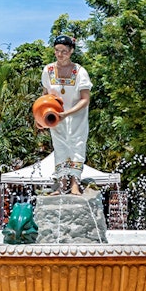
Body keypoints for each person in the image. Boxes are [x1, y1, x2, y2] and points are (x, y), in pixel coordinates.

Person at [40, 35, 92, 195]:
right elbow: (44, 95)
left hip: (76, 118)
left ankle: (75, 184)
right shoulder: (48, 70)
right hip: (56, 118)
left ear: (71, 51)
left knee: (76, 147)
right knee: (60, 148)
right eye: (57, 51)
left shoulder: (80, 72)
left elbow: (85, 99)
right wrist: (40, 116)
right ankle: (62, 185)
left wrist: (67, 113)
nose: (60, 54)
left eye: (64, 51)